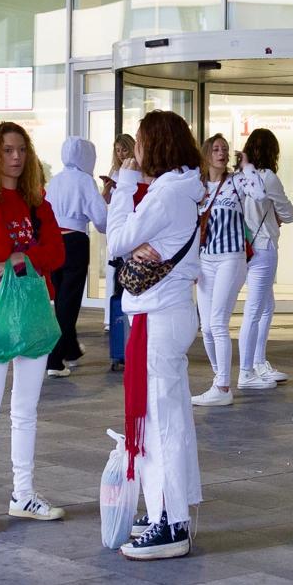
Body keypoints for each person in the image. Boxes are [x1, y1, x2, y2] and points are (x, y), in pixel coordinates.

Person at [107, 110, 206, 560]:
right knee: (168, 419)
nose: (137, 152)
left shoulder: (165, 195)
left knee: (162, 422)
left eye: (142, 143)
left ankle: (171, 522)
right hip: (169, 311)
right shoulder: (182, 188)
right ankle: (167, 509)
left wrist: (124, 184)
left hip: (158, 315)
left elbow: (116, 240)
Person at [0, 121, 67, 533]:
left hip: (35, 309)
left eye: (21, 149)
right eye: (7, 150)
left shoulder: (38, 202)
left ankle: (23, 493)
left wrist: (22, 259)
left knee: (26, 410)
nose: (17, 157)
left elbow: (56, 251)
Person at [235, 128, 293, 390]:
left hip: (241, 248)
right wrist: (277, 213)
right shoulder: (267, 177)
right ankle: (247, 370)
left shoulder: (239, 178)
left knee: (265, 306)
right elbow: (288, 213)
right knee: (256, 308)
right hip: (263, 246)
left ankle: (258, 362)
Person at [192, 134, 247, 408]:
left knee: (217, 322)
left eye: (225, 149)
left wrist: (246, 166)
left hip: (230, 256)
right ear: (206, 154)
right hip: (205, 259)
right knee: (207, 326)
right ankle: (218, 379)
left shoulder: (236, 182)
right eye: (215, 149)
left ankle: (224, 385)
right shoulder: (198, 187)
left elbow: (260, 194)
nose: (221, 153)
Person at [44, 137, 107, 377]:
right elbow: (100, 218)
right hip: (75, 241)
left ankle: (69, 350)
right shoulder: (85, 180)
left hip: (54, 242)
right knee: (68, 304)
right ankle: (55, 360)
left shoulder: (56, 180)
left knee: (60, 299)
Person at [102, 133, 136, 370]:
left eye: (124, 149)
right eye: (117, 150)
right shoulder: (116, 173)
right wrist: (108, 190)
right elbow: (108, 204)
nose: (121, 154)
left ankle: (130, 342)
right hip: (117, 234)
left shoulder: (136, 172)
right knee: (118, 286)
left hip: (129, 234)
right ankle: (120, 337)